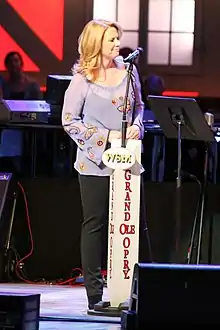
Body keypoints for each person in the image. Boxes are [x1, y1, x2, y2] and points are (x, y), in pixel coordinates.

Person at [62, 19, 151, 310]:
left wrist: (138, 126)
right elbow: (69, 121)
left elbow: (138, 106)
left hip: (126, 160)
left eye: (117, 39)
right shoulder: (82, 79)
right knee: (95, 223)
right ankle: (94, 295)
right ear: (96, 43)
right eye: (111, 40)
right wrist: (106, 138)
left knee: (128, 224)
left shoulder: (128, 72)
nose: (116, 45)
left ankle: (129, 291)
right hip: (94, 161)